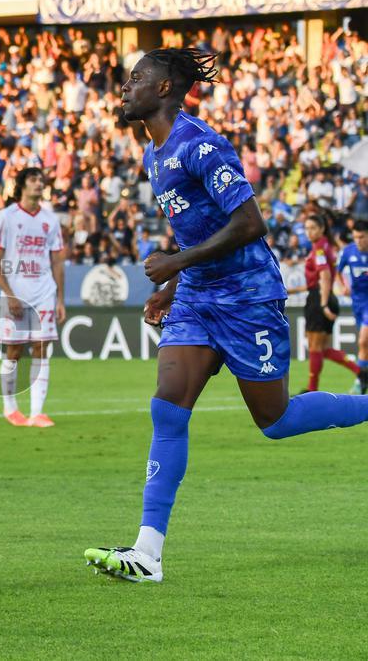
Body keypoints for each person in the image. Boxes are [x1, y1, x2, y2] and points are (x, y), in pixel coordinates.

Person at [84, 48, 368, 583]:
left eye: (136, 78)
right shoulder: (154, 153)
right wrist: (173, 284)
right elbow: (197, 229)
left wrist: (174, 264)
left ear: (165, 88)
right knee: (169, 405)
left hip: (248, 297)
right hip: (197, 296)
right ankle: (148, 552)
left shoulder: (201, 145)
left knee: (275, 420)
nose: (125, 87)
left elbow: (249, 223)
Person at [0, 167, 66, 427]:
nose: (38, 184)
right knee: (13, 350)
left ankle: (37, 412)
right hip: (17, 293)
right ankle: (10, 408)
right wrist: (9, 295)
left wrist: (60, 299)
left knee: (41, 348)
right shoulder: (6, 217)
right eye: (33, 180)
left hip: (44, 291)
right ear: (22, 185)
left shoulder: (50, 219)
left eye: (41, 180)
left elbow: (57, 261)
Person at [286, 213, 362, 391]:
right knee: (321, 348)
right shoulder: (324, 246)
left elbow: (325, 276)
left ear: (322, 229)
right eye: (307, 228)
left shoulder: (319, 248)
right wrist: (295, 290)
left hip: (320, 298)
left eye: (313, 228)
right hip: (321, 295)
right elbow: (320, 279)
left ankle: (313, 388)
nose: (309, 232)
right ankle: (360, 372)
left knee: (314, 346)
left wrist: (323, 304)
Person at [337, 219, 368, 393]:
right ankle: (363, 381)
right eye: (356, 237)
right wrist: (343, 286)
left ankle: (360, 382)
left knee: (363, 340)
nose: (358, 240)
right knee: (365, 345)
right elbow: (338, 272)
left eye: (362, 237)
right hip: (357, 302)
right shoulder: (348, 252)